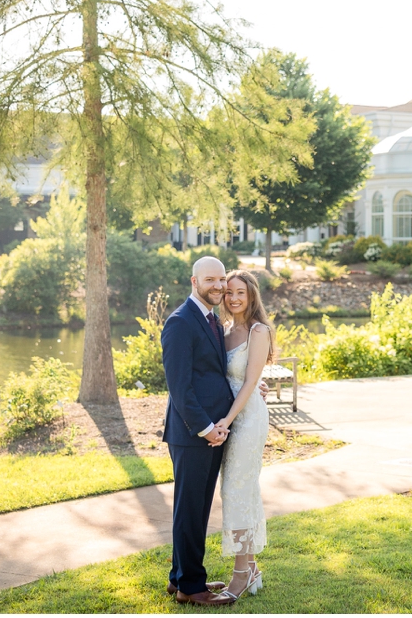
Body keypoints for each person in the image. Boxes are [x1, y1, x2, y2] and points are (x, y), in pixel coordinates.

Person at [160, 256, 267, 607]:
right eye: (212, 280)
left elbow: (220, 373)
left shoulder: (211, 320)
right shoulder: (180, 322)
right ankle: (191, 587)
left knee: (194, 509)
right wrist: (207, 428)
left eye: (222, 280)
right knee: (190, 510)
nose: (219, 287)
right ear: (194, 281)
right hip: (195, 432)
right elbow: (180, 387)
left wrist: (252, 388)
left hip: (216, 430)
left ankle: (182, 578)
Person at [215, 269, 272, 600]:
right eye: (229, 293)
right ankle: (250, 569)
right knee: (237, 490)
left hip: (247, 419)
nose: (234, 298)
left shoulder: (258, 330)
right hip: (230, 414)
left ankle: (239, 575)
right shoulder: (223, 331)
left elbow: (251, 382)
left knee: (238, 489)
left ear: (252, 296)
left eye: (241, 293)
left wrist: (226, 421)